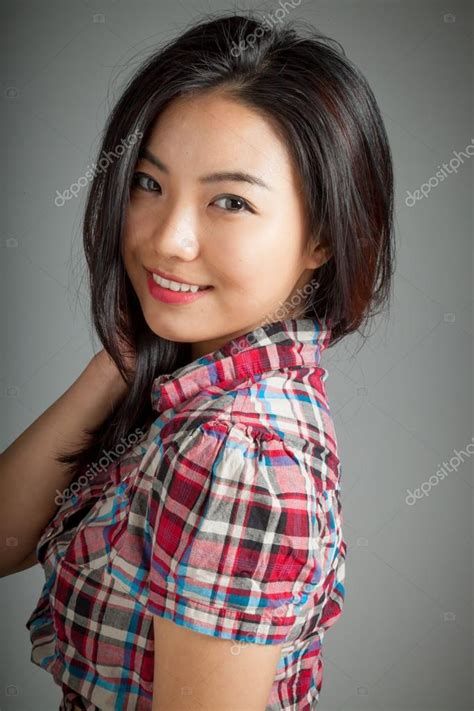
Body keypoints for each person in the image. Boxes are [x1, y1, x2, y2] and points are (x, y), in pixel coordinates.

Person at [0, 10, 394, 710]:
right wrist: (122, 362)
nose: (168, 239)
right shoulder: (201, 395)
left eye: (231, 201)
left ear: (323, 237)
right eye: (149, 184)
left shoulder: (232, 449)